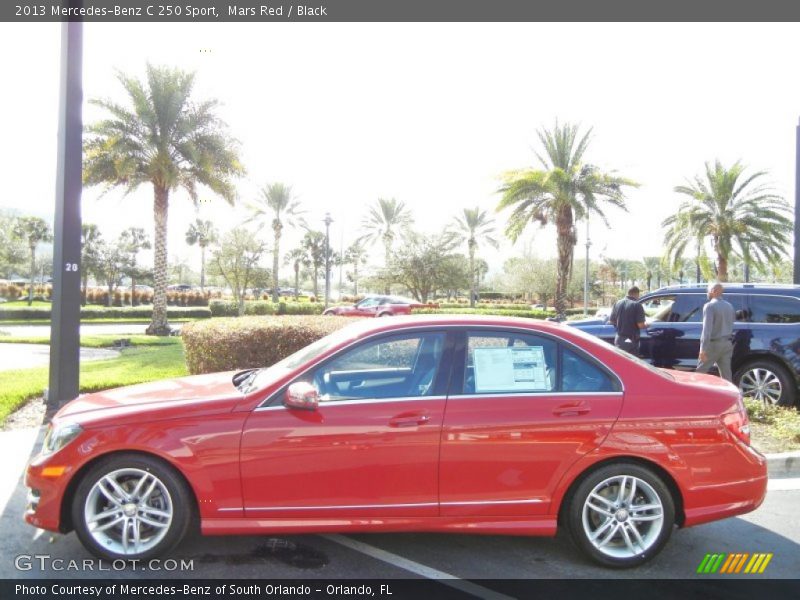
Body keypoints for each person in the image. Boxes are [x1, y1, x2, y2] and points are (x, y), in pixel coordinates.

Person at [696, 282, 735, 381]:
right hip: (727, 344)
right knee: (726, 375)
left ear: (713, 291)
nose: (707, 293)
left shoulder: (709, 306)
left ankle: (694, 395)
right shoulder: (729, 306)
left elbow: (707, 330)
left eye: (708, 290)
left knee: (700, 372)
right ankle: (729, 395)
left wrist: (703, 349)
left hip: (714, 345)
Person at [608, 286, 647, 355]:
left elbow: (611, 321)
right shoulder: (637, 305)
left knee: (620, 361)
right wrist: (648, 325)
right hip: (630, 340)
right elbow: (641, 325)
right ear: (636, 294)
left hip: (618, 339)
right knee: (631, 362)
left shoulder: (617, 303)